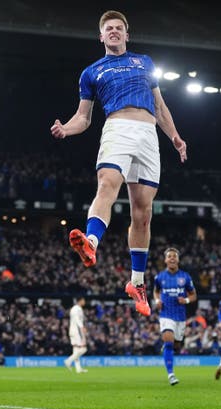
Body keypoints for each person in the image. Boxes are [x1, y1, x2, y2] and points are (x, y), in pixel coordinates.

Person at [50, 10, 187, 317]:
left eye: (118, 28)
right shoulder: (92, 72)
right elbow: (83, 117)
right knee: (107, 184)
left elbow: (160, 106)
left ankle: (137, 283)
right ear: (101, 36)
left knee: (143, 213)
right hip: (118, 129)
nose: (113, 31)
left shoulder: (145, 63)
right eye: (108, 28)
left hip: (149, 135)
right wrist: (66, 129)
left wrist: (175, 137)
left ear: (127, 35)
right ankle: (91, 241)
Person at [153, 247, 196, 385]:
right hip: (166, 314)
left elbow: (193, 295)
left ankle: (167, 347)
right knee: (169, 342)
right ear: (165, 260)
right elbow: (156, 292)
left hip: (180, 316)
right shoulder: (159, 277)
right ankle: (171, 374)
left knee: (176, 345)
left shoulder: (185, 277)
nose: (172, 258)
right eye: (169, 256)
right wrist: (157, 301)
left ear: (178, 260)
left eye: (174, 256)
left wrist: (186, 300)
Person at [64, 296, 89, 373]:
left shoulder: (74, 309)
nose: (84, 302)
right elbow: (77, 319)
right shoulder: (77, 309)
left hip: (72, 330)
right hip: (77, 331)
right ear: (80, 301)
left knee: (76, 350)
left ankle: (78, 369)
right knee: (84, 348)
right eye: (83, 300)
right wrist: (82, 327)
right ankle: (68, 360)